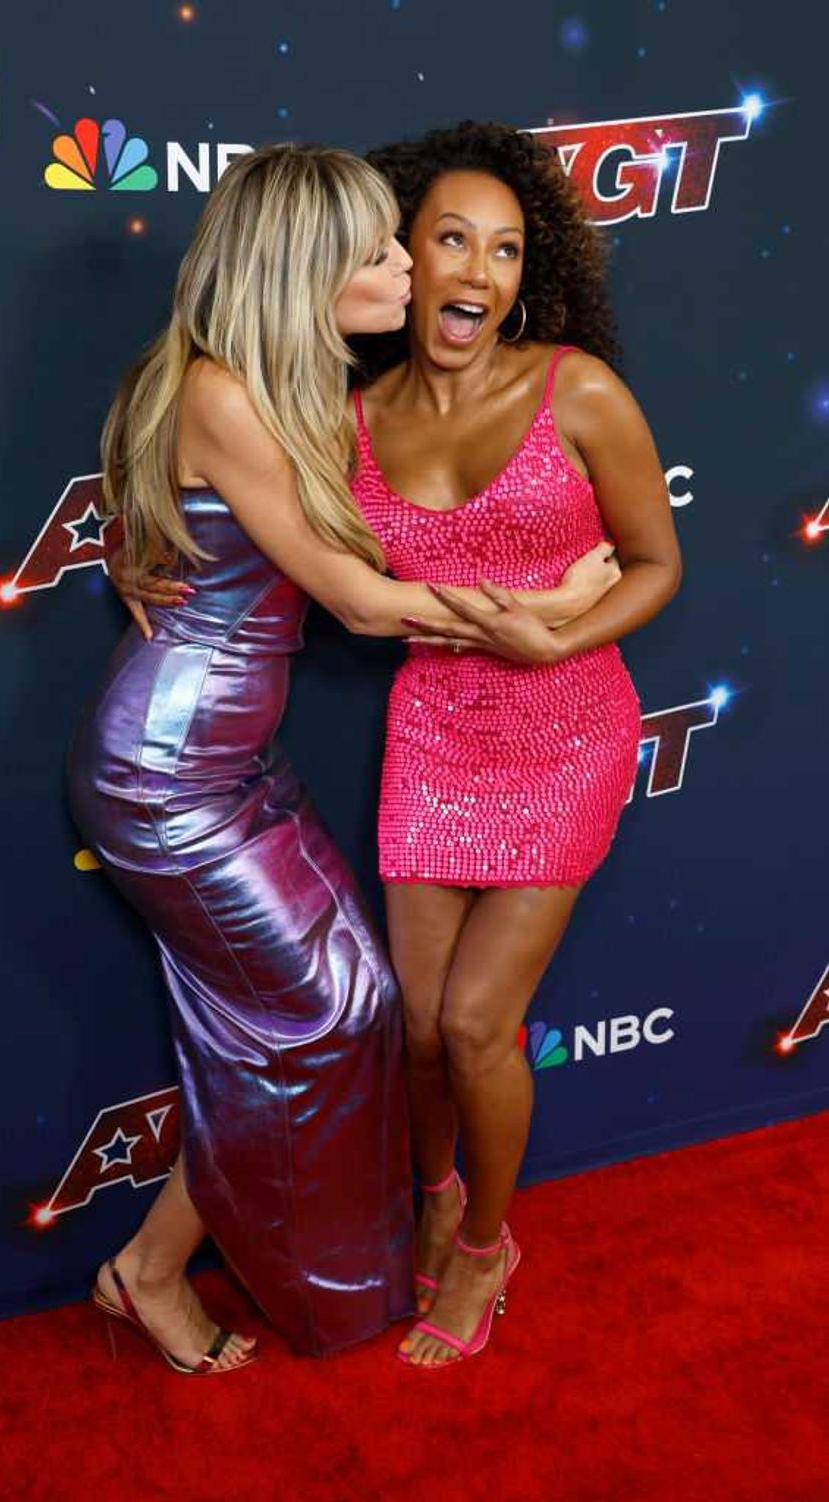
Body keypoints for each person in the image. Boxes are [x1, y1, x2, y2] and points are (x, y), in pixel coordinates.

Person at [70, 142, 618, 1372]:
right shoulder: (224, 391)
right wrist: (549, 602)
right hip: (164, 777)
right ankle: (149, 1269)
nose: (409, 271)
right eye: (382, 252)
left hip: (234, 765)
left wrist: (125, 537)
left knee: (350, 1012)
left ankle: (218, 1251)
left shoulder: (301, 388)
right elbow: (362, 601)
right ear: (304, 266)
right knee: (323, 1018)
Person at [344, 121, 682, 1368]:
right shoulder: (350, 418)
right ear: (403, 257)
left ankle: (485, 1245)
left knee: (480, 1022)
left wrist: (554, 636)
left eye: (504, 250)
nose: (477, 273)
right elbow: (303, 562)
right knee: (420, 1026)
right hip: (432, 728)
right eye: (451, 241)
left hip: (564, 726)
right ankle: (434, 1194)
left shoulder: (572, 390)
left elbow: (654, 561)